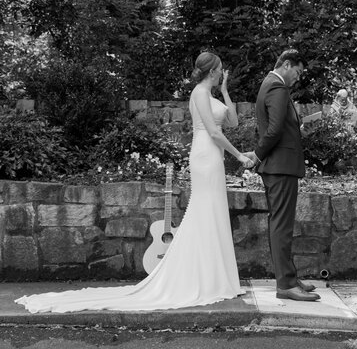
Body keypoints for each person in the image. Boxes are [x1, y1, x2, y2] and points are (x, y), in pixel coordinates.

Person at [15, 52, 253, 314]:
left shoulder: (212, 95)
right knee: (204, 213)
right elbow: (213, 132)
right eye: (220, 70)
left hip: (214, 159)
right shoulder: (198, 93)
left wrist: (227, 91)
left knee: (215, 213)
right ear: (212, 71)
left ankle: (220, 278)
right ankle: (204, 279)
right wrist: (239, 155)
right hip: (206, 157)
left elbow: (232, 121)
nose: (222, 73)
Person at [244, 49, 321, 302]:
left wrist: (301, 129)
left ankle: (289, 277)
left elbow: (280, 127)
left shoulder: (272, 85)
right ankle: (286, 285)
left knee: (282, 225)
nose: (298, 79)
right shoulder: (277, 88)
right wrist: (256, 155)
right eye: (297, 72)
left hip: (279, 165)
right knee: (281, 226)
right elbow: (274, 130)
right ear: (286, 65)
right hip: (280, 166)